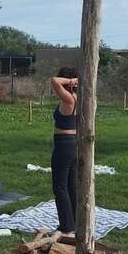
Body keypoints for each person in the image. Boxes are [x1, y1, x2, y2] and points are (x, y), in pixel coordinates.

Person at [50, 67, 79, 235]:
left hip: (64, 144)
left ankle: (67, 226)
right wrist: (76, 81)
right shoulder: (79, 98)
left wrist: (70, 81)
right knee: (70, 185)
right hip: (74, 144)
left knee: (60, 186)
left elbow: (54, 81)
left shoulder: (69, 99)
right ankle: (74, 221)